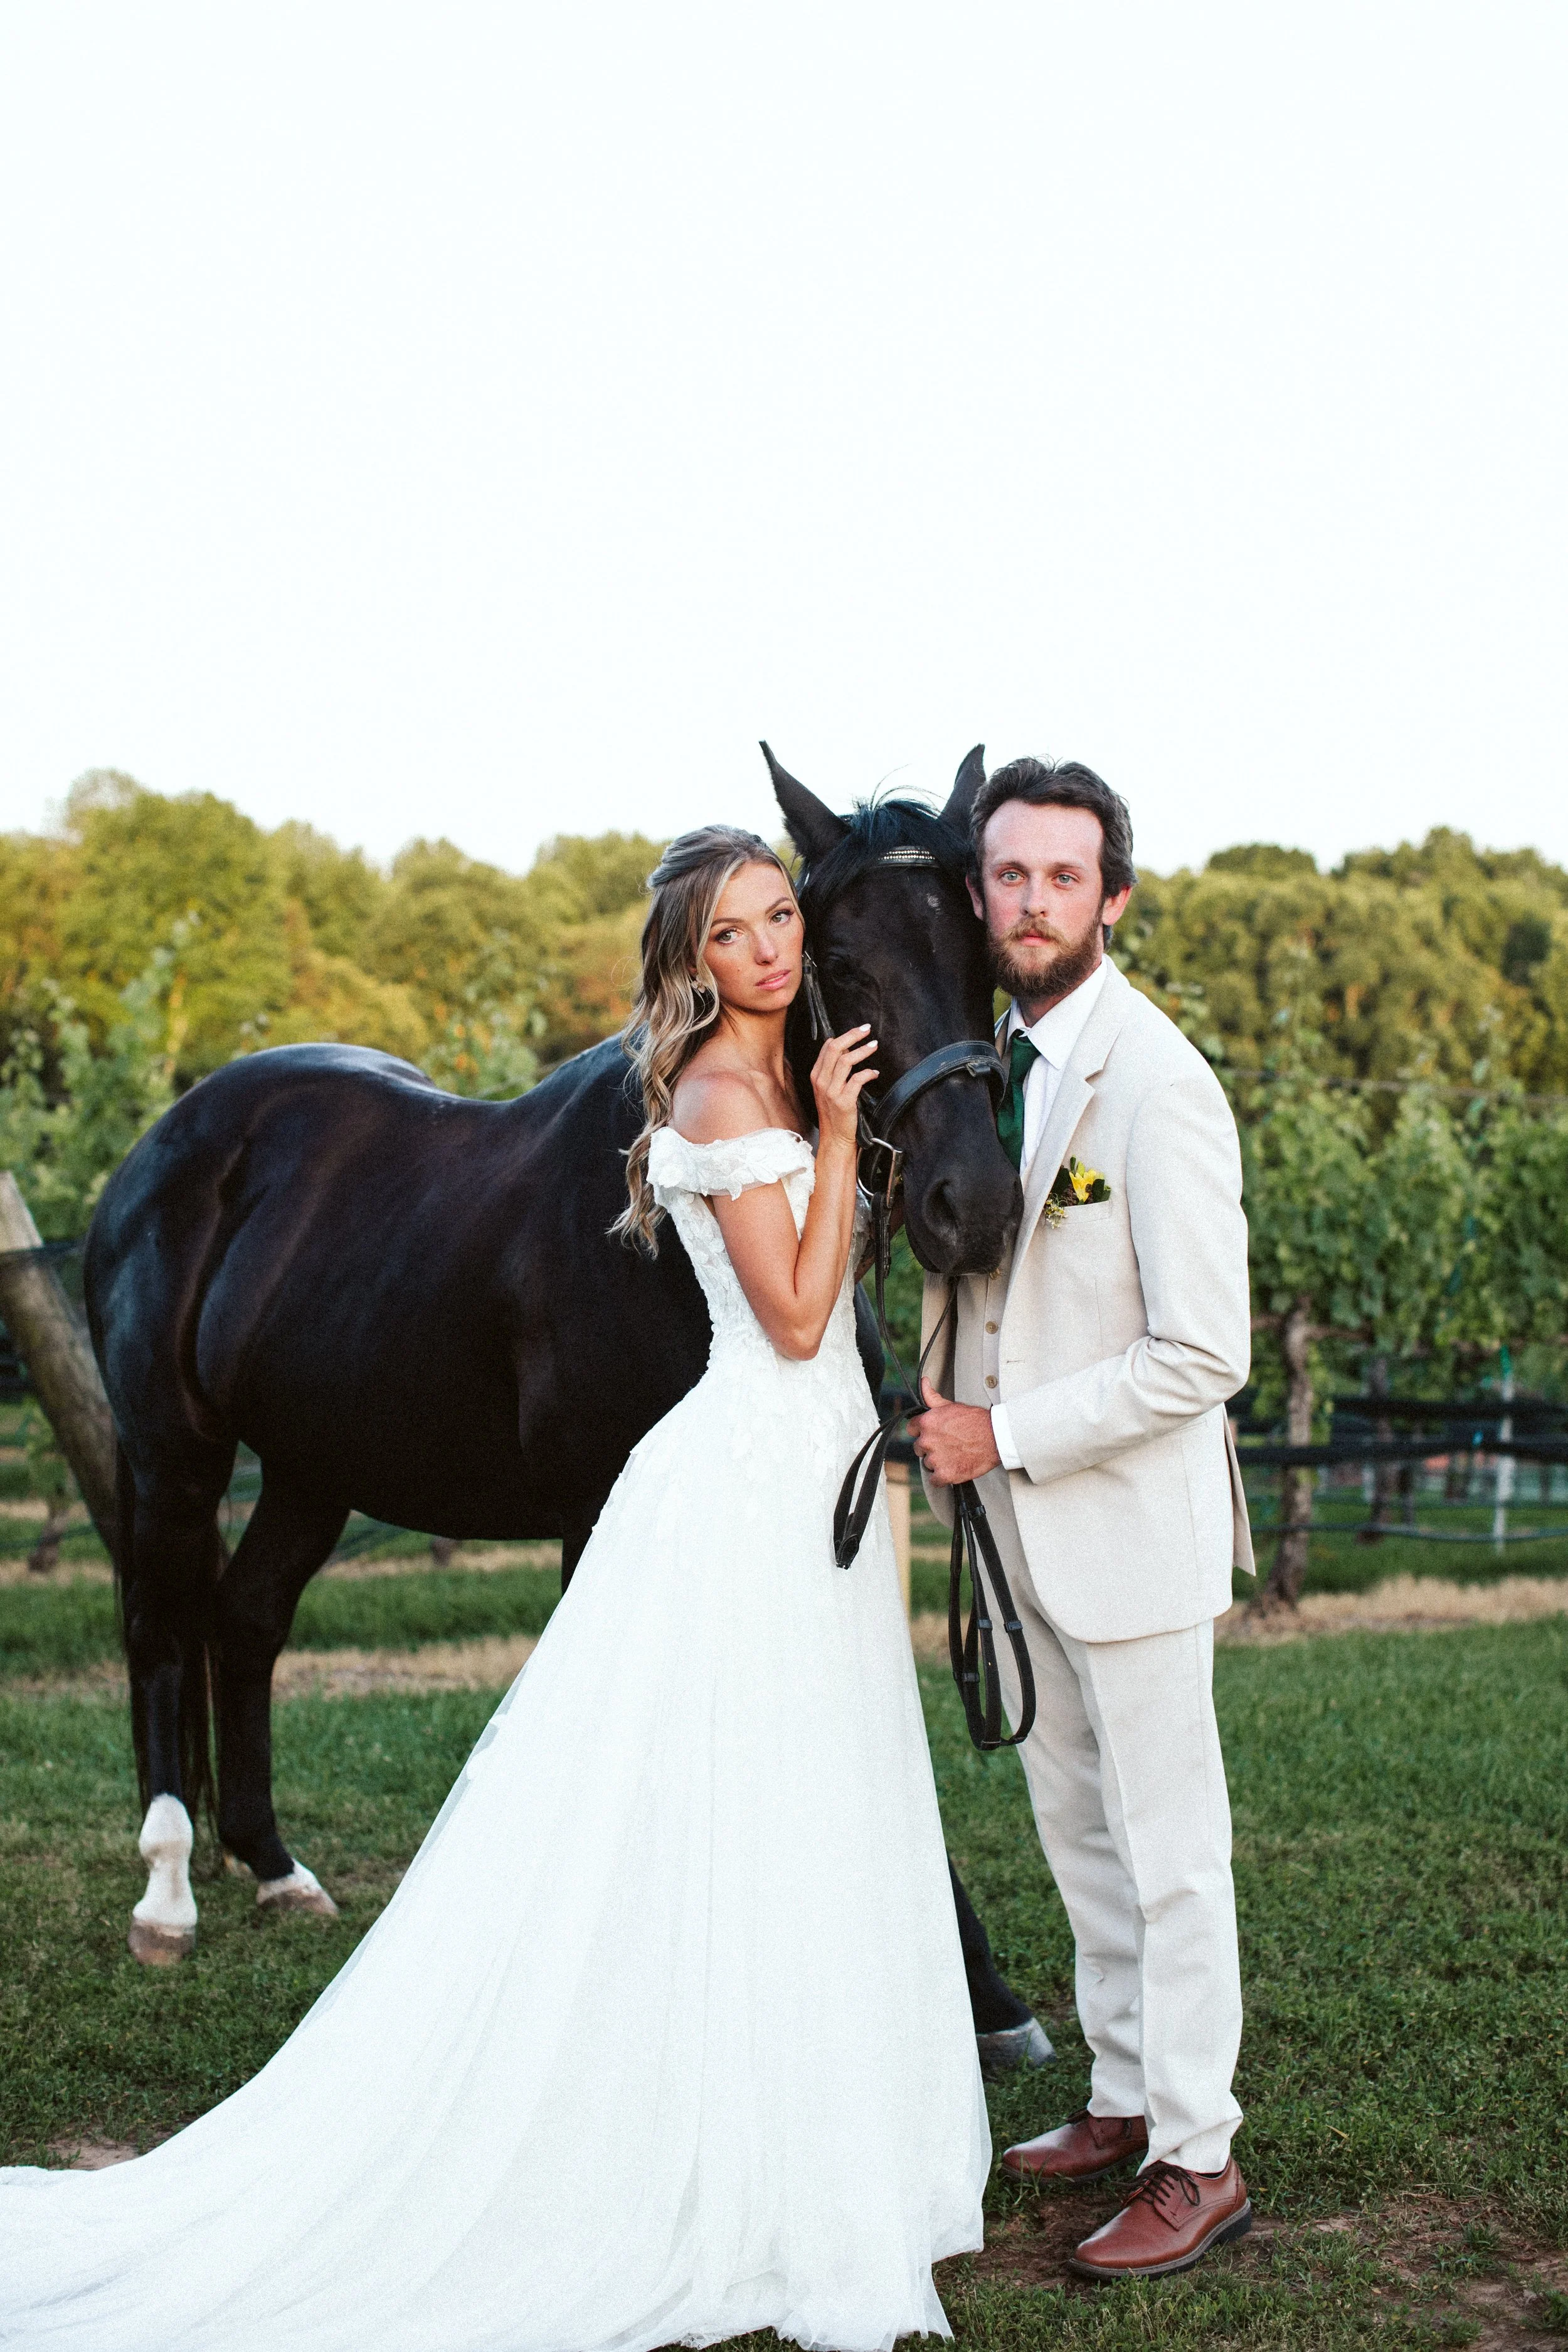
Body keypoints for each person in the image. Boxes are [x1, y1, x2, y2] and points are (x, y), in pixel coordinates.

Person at [1, 826, 988, 2351]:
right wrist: (851, 1137)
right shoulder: (719, 1095)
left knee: (810, 1770)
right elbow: (798, 1322)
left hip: (805, 1467)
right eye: (731, 934)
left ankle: (797, 2084)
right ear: (690, 961)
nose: (768, 951)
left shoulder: (779, 1081)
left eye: (779, 919)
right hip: (752, 1454)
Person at [911, 757, 1255, 2283]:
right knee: (1076, 1836)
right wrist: (950, 1413)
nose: (1032, 902)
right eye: (1008, 876)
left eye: (1062, 877)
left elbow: (1201, 1353)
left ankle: (1199, 2155)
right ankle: (1120, 2095)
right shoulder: (988, 1063)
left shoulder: (1158, 1083)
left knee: (1170, 1856)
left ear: (1110, 898)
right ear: (977, 893)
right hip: (1015, 1536)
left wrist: (1004, 1432)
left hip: (1126, 1531)